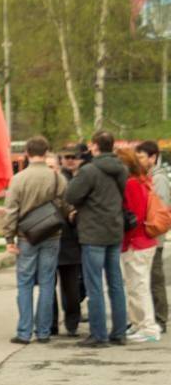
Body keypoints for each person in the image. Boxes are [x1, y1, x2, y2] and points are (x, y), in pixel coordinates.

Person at [65, 131, 129, 348]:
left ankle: (98, 334)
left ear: (94, 147)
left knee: (94, 285)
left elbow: (71, 196)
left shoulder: (89, 171)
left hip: (93, 231)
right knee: (116, 283)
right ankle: (119, 332)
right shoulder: (121, 169)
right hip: (115, 229)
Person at [2, 137, 66, 344]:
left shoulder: (19, 179)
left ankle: (24, 331)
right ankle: (44, 331)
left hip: (26, 236)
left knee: (25, 283)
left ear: (27, 153)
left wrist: (8, 237)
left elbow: (11, 210)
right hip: (52, 235)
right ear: (47, 152)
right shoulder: (57, 178)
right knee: (47, 282)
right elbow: (65, 205)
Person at [117, 148, 160, 343]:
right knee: (135, 286)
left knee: (139, 286)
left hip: (136, 242)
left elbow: (134, 216)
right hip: (141, 241)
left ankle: (148, 326)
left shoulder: (131, 184)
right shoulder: (141, 181)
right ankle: (138, 323)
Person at [50, 144, 88, 337]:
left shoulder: (83, 177)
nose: (70, 160)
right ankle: (52, 323)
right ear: (61, 160)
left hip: (73, 238)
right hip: (57, 234)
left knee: (71, 285)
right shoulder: (59, 179)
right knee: (51, 283)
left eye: (74, 156)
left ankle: (71, 322)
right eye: (66, 157)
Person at [137, 140, 169, 334]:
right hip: (148, 235)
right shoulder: (147, 176)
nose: (138, 160)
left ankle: (160, 317)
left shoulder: (159, 179)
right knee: (147, 278)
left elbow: (162, 209)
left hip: (154, 236)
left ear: (152, 157)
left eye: (141, 157)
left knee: (155, 278)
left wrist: (152, 229)